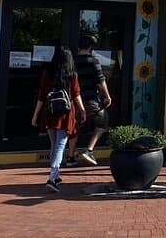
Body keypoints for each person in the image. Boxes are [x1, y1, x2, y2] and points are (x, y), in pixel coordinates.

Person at [31, 46, 86, 193]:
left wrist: (35, 115)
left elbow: (42, 96)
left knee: (54, 144)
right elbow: (76, 94)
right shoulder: (71, 74)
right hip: (66, 114)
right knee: (60, 146)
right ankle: (52, 177)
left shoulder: (47, 73)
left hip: (50, 112)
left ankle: (56, 176)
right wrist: (82, 110)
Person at [66, 34, 112, 166]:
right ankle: (89, 150)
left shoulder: (72, 61)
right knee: (102, 122)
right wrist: (107, 96)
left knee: (75, 127)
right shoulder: (93, 61)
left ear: (78, 46)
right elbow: (100, 81)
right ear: (90, 47)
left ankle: (70, 157)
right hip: (91, 100)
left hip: (75, 100)